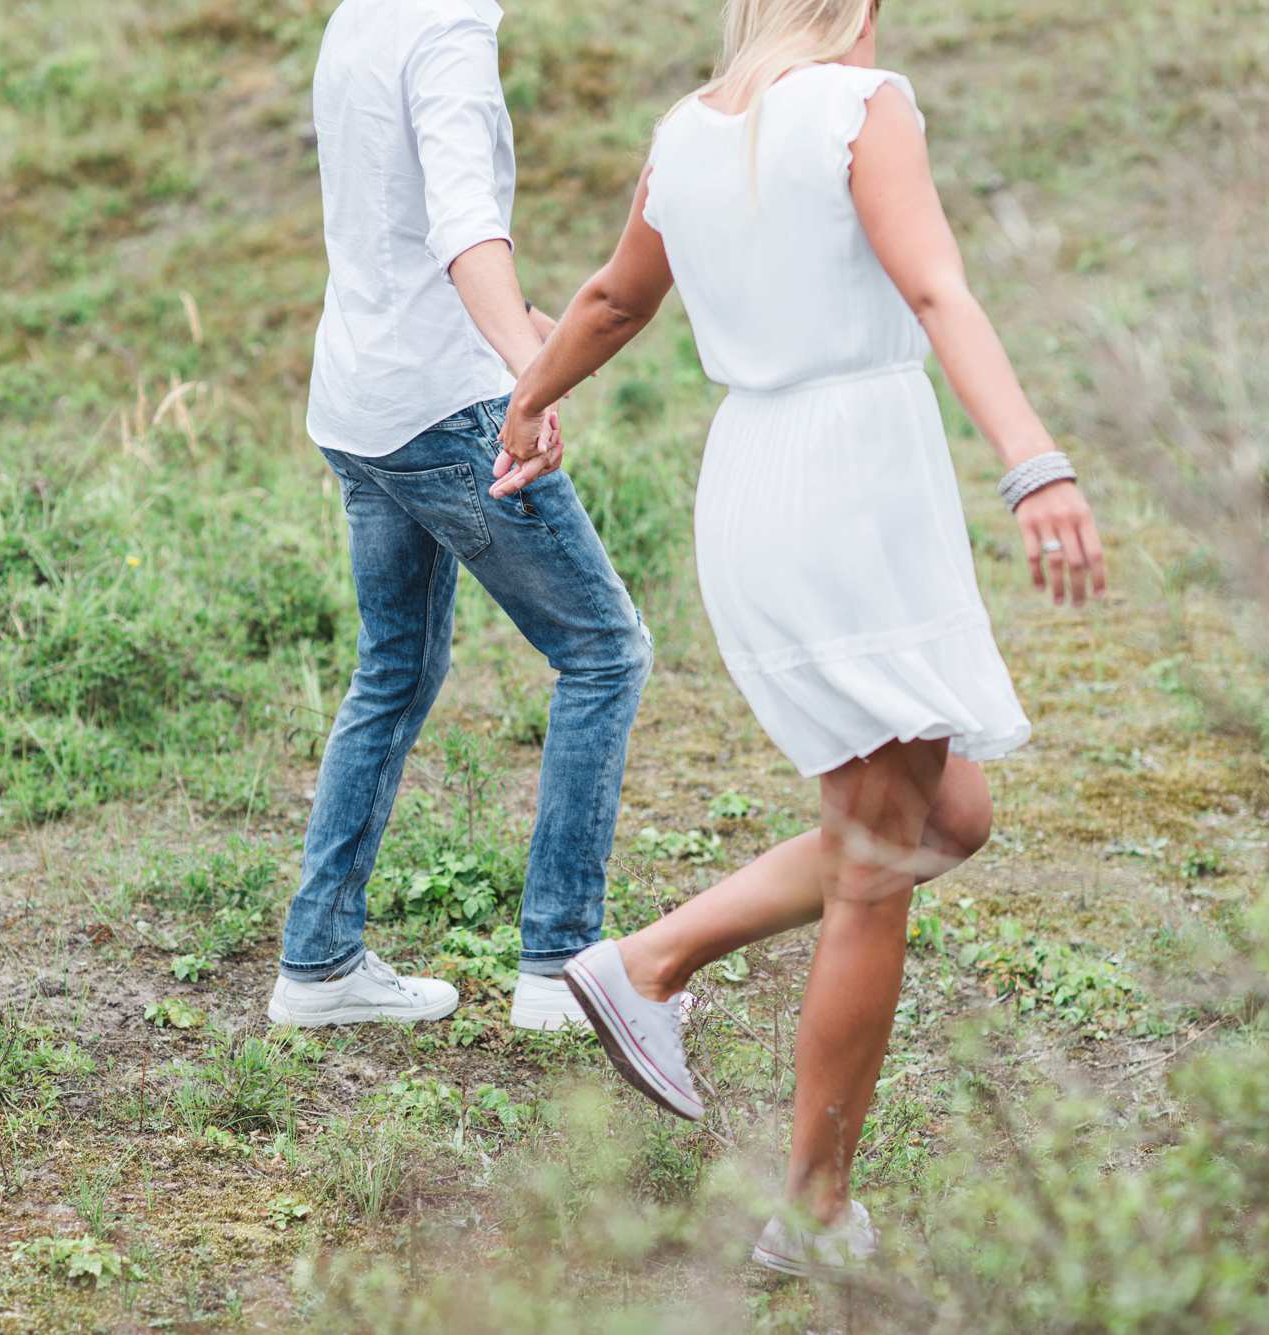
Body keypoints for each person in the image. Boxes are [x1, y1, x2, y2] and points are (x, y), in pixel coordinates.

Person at [494, 0, 1107, 1275]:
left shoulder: (687, 129)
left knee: (946, 816)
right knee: (881, 854)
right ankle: (814, 1215)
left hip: (757, 481)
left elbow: (613, 297)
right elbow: (935, 285)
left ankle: (645, 962)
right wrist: (1033, 465)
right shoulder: (859, 107)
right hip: (849, 484)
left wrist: (529, 402)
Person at [268, 0, 654, 1032]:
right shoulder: (446, 30)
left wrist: (516, 328)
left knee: (393, 668)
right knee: (602, 653)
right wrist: (529, 379)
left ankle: (317, 965)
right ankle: (562, 966)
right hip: (442, 414)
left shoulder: (363, 15)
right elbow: (459, 225)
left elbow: (386, 217)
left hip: (357, 399)